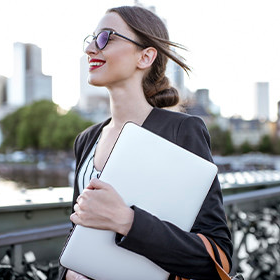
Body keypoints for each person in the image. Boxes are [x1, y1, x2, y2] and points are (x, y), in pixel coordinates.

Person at [59, 5, 232, 280]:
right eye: (91, 39)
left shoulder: (183, 131)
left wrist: (127, 221)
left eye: (106, 37)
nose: (91, 48)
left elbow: (216, 257)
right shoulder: (86, 139)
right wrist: (68, 273)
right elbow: (77, 230)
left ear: (146, 56)